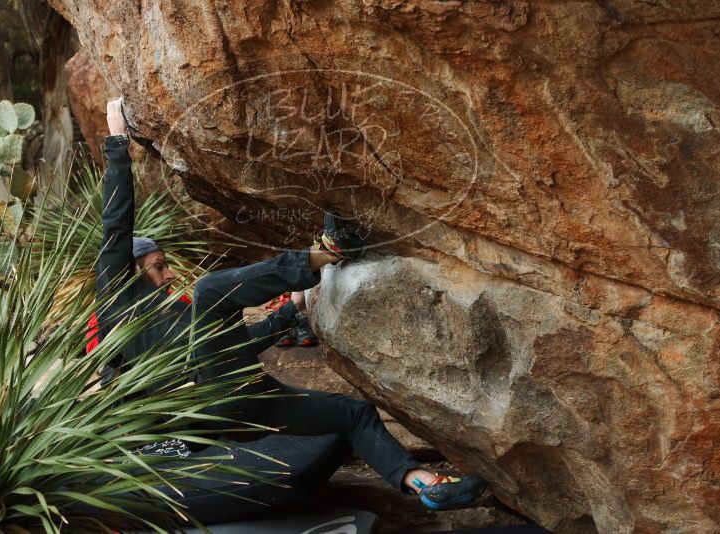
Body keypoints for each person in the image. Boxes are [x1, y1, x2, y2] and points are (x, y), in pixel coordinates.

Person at [96, 97, 487, 511]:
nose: (169, 275)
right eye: (158, 268)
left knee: (351, 414)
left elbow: (230, 347)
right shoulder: (117, 291)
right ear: (131, 268)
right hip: (200, 412)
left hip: (241, 403)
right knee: (212, 290)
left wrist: (292, 312)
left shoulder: (175, 315)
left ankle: (426, 485)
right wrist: (117, 138)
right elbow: (115, 221)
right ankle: (329, 250)